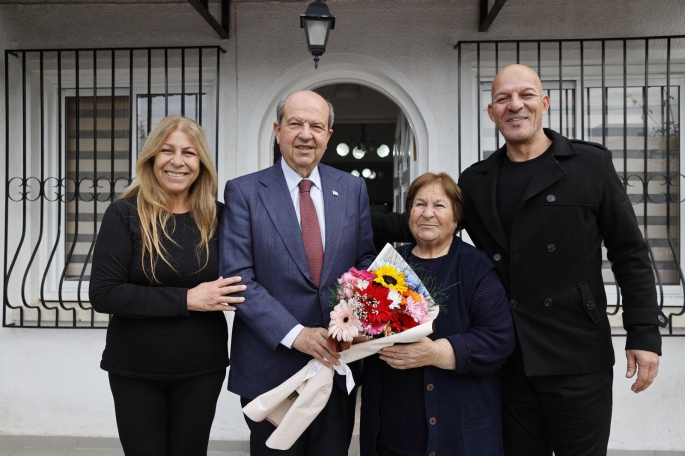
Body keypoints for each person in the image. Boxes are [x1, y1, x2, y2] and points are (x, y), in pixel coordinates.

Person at [457, 64, 669, 456]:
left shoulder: (590, 166)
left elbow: (629, 252)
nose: (514, 105)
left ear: (545, 103)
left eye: (526, 95)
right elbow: (428, 224)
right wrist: (355, 219)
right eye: (503, 98)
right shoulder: (476, 181)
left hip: (578, 354)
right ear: (491, 112)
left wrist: (644, 333)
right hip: (509, 358)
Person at [220, 90, 376, 456]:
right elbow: (239, 277)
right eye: (295, 123)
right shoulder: (244, 191)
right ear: (278, 130)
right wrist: (296, 335)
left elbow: (365, 262)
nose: (306, 134)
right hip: (269, 368)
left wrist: (353, 323)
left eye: (316, 126)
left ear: (328, 136)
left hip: (337, 364)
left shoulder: (351, 189)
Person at [89, 115, 246, 456]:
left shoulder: (221, 217)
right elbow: (104, 293)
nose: (178, 161)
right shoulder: (125, 214)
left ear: (201, 162)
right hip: (135, 369)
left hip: (202, 368)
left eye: (188, 152)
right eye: (167, 150)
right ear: (151, 159)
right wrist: (187, 299)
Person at [360, 172, 515, 456]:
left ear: (456, 218)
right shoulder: (388, 267)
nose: (427, 213)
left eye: (439, 206)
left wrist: (436, 353)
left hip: (458, 435)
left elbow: (499, 339)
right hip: (392, 431)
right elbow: (364, 328)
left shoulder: (476, 268)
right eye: (419, 204)